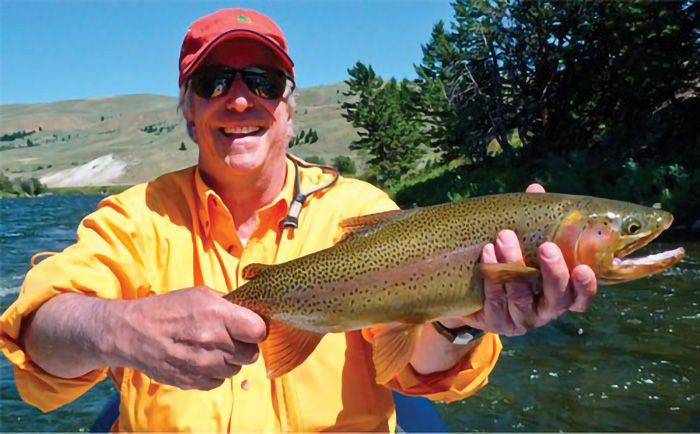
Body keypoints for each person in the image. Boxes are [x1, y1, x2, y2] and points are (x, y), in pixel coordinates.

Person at [0, 9, 597, 432]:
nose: (239, 99)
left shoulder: (363, 211)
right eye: (214, 82)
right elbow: (38, 334)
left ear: (290, 107)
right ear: (187, 111)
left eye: (262, 82)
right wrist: (118, 329)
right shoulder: (133, 219)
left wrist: (461, 325)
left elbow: (411, 361)